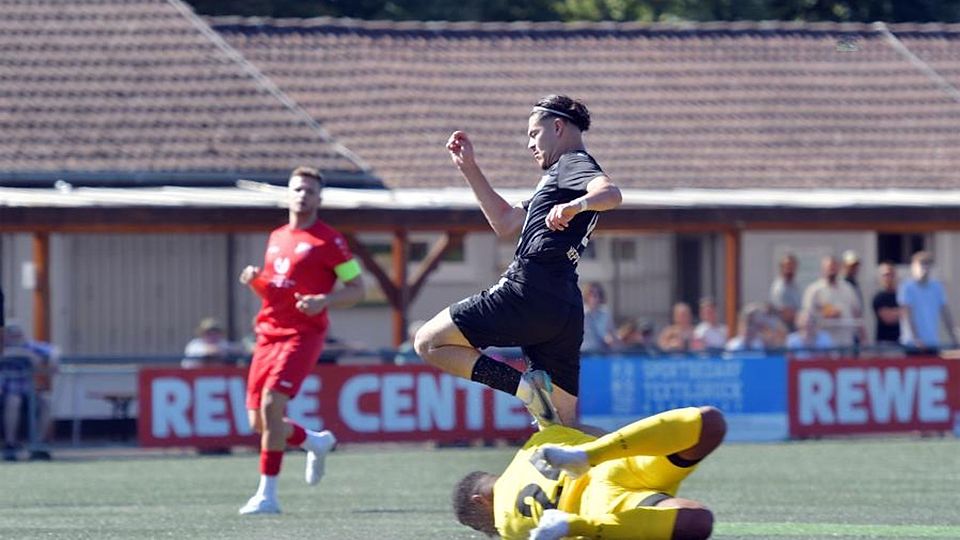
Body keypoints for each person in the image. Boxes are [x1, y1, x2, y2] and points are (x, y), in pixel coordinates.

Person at [415, 95, 622, 427]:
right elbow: (506, 222)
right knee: (562, 431)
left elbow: (611, 194)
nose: (529, 144)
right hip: (564, 306)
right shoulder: (556, 180)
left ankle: (527, 391)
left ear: (557, 127)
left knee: (429, 342)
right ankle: (624, 467)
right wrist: (470, 168)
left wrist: (576, 207)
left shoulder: (572, 163)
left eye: (533, 133)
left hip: (530, 290)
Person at [237, 165, 365, 515]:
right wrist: (255, 281)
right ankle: (314, 441)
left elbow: (358, 289)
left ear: (319, 198)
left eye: (309, 191)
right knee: (259, 423)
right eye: (297, 189)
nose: (302, 195)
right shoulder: (277, 237)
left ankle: (267, 496)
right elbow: (275, 290)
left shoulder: (330, 242)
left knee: (271, 406)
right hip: (267, 334)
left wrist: (325, 300)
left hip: (302, 335)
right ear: (288, 194)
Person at [452, 406, 726, 540]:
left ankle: (572, 524)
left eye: (477, 525)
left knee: (698, 522)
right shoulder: (530, 447)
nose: (487, 532)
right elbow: (590, 431)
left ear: (479, 500)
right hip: (610, 464)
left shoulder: (506, 526)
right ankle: (587, 457)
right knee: (711, 423)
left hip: (598, 509)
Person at [1, 322, 57, 461]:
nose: (15, 337)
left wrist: (50, 359)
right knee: (13, 400)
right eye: (11, 334)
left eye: (18, 334)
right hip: (5, 391)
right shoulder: (2, 347)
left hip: (27, 391)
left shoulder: (29, 346)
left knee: (46, 401)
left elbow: (53, 351)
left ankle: (37, 445)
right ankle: (10, 444)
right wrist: (9, 354)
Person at [898, 251, 958, 354]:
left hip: (932, 343)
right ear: (913, 267)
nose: (924, 268)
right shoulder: (906, 287)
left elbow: (946, 314)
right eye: (921, 264)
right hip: (912, 345)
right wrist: (915, 338)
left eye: (927, 264)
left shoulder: (937, 287)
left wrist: (955, 337)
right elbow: (907, 315)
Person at [802, 255, 863, 349]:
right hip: (823, 342)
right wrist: (825, 313)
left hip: (846, 341)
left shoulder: (848, 288)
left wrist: (863, 338)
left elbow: (857, 314)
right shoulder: (814, 290)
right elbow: (807, 316)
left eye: (834, 267)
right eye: (829, 267)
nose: (832, 270)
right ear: (823, 269)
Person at [581, 282, 621, 353]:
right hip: (585, 353)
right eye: (591, 293)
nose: (594, 296)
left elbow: (612, 332)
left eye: (597, 294)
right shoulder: (581, 313)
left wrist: (612, 340)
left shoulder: (605, 313)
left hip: (601, 354)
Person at [769, 253, 801, 330]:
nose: (790, 268)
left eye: (792, 266)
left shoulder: (796, 285)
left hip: (796, 326)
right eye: (787, 265)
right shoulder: (778, 287)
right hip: (783, 327)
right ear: (782, 268)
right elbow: (785, 313)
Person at [872, 262, 901, 346]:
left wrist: (896, 312)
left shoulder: (902, 296)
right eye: (885, 275)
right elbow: (888, 318)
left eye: (891, 275)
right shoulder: (879, 298)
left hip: (901, 343)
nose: (889, 278)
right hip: (884, 344)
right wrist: (903, 312)